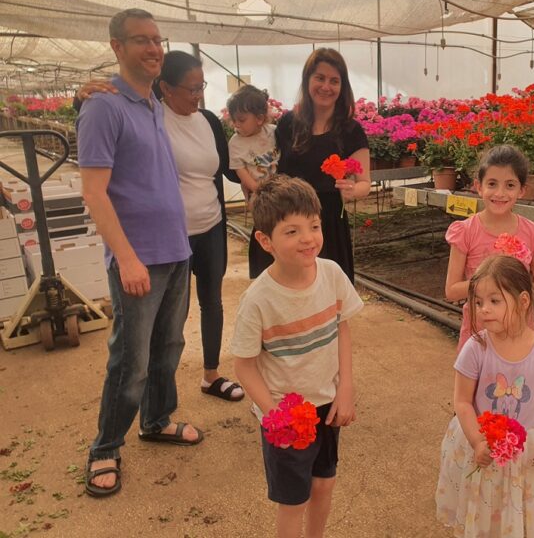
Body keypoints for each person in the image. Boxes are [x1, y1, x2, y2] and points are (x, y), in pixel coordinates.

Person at [78, 9, 203, 498]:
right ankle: (105, 447)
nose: (153, 48)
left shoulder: (151, 103)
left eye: (157, 39)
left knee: (168, 347)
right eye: (140, 40)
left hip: (175, 248)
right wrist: (126, 258)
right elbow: (94, 193)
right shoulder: (103, 107)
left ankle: (156, 420)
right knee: (131, 361)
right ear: (116, 47)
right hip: (140, 258)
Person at [76, 51, 245, 403]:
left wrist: (262, 156)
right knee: (168, 322)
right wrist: (82, 97)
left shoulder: (209, 121)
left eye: (202, 86)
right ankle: (155, 397)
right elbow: (112, 120)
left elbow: (228, 170)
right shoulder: (152, 116)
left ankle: (211, 375)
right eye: (191, 88)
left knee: (212, 301)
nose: (198, 95)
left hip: (211, 225)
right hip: (171, 236)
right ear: (165, 88)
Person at [231, 175, 363, 538]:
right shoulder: (258, 300)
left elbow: (342, 327)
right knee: (293, 500)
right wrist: (274, 415)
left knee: (324, 484)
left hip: (327, 404)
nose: (308, 238)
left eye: (314, 226)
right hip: (285, 415)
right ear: (265, 241)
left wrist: (346, 388)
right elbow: (244, 366)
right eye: (292, 231)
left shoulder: (332, 274)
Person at [436, 254, 534, 537]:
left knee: (516, 509)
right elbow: (462, 401)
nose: (484, 309)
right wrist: (477, 441)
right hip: (480, 444)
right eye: (478, 302)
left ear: (523, 301)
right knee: (482, 505)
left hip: (526, 450)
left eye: (494, 301)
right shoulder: (476, 348)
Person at [249, 48, 370, 281]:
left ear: (343, 86)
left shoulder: (351, 130)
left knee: (327, 291)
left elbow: (364, 183)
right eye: (320, 78)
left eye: (334, 81)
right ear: (307, 80)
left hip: (326, 223)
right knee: (283, 289)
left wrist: (352, 190)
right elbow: (268, 163)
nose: (326, 86)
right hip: (286, 217)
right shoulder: (289, 123)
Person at [445, 145, 534, 351]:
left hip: (520, 336)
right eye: (492, 184)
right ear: (479, 186)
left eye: (510, 185)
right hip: (479, 337)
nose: (500, 193)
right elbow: (451, 290)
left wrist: (513, 288)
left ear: (522, 190)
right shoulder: (465, 231)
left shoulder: (533, 232)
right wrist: (491, 285)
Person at [226, 84, 279, 199]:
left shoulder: (274, 132)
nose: (236, 124)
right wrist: (257, 190)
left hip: (281, 189)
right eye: (233, 119)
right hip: (257, 193)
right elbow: (240, 171)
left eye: (241, 120)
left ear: (259, 119)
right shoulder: (235, 143)